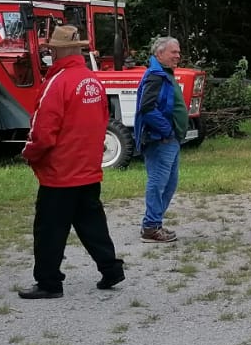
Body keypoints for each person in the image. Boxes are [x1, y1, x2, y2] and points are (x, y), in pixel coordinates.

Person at [19, 25, 124, 298]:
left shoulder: (57, 82)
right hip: (88, 168)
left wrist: (29, 153)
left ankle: (48, 282)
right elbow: (103, 121)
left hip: (61, 172)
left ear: (55, 51)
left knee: (49, 230)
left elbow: (43, 131)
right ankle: (111, 268)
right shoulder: (93, 80)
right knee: (92, 223)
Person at [133, 36, 185, 243]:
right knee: (158, 183)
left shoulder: (164, 73)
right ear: (159, 53)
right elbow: (146, 108)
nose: (178, 56)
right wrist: (166, 130)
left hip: (169, 140)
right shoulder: (156, 75)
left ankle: (153, 223)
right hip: (160, 140)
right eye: (174, 52)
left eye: (179, 52)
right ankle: (151, 227)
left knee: (169, 183)